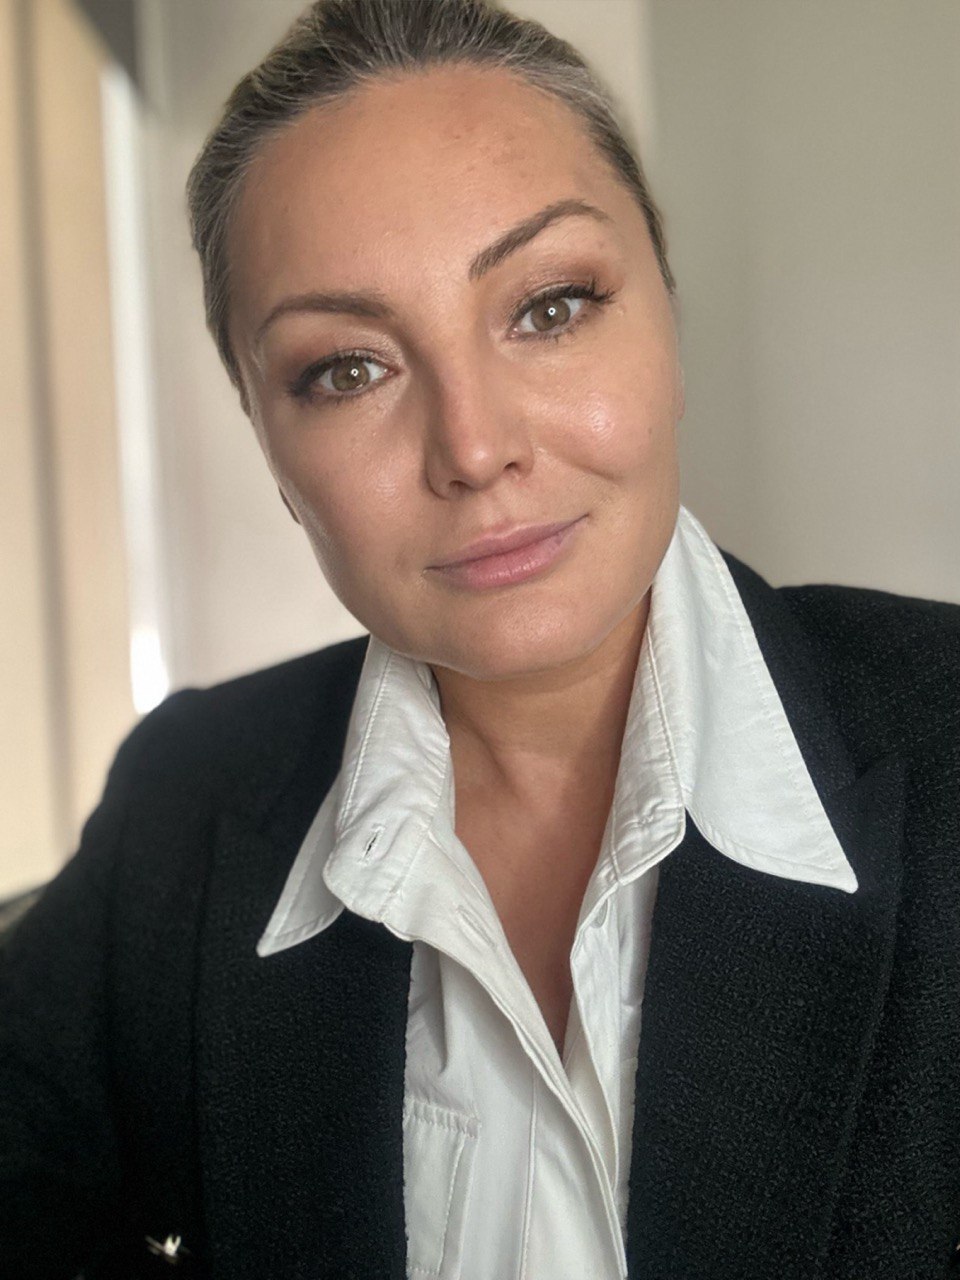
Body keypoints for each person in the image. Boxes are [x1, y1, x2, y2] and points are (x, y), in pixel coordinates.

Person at [2, 0, 958, 1276]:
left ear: (669, 324)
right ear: (271, 447)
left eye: (550, 307)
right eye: (348, 369)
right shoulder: (187, 802)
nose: (473, 445)